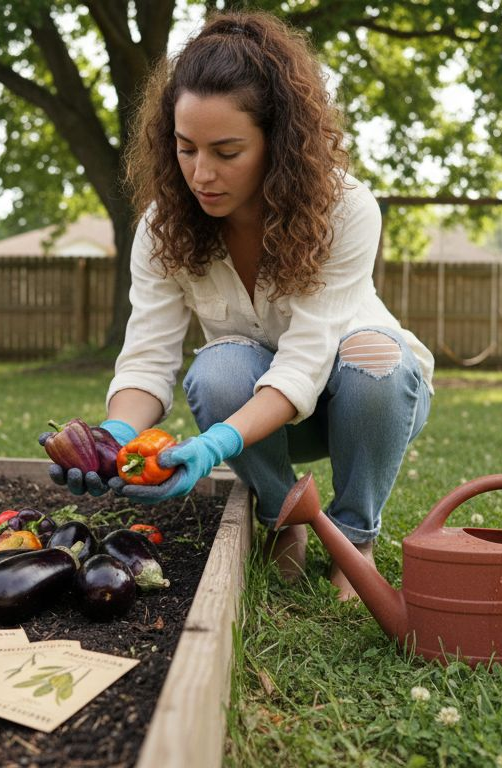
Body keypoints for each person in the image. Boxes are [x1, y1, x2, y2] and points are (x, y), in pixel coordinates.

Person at [45, 10, 433, 600]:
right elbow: (148, 359)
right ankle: (282, 520)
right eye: (186, 148)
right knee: (219, 366)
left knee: (376, 358)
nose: (202, 173)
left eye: (227, 151)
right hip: (259, 420)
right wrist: (111, 439)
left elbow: (305, 361)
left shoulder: (347, 209)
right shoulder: (162, 228)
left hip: (366, 406)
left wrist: (215, 446)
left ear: (276, 141)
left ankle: (354, 538)